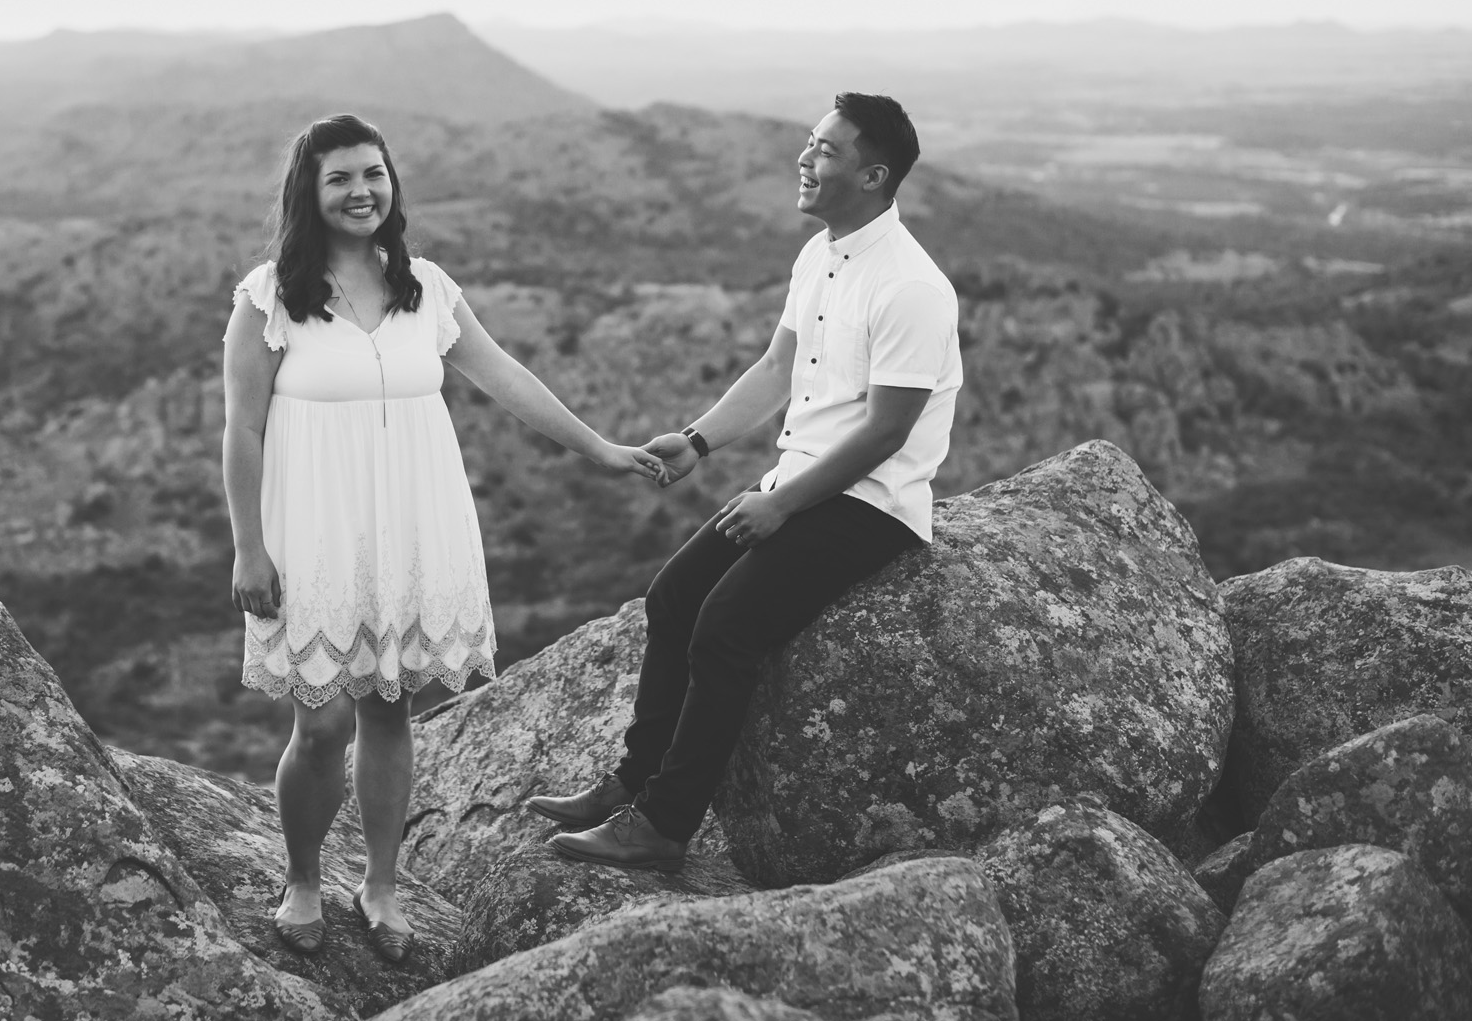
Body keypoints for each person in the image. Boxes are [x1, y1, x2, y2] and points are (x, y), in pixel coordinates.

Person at [221, 113, 663, 959]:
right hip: (312, 531)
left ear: (393, 183)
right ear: (308, 194)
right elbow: (242, 432)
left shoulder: (426, 286)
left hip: (416, 525)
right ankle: (303, 878)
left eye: (373, 174)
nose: (362, 192)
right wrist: (249, 546)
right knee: (319, 726)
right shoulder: (269, 297)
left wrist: (601, 449)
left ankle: (381, 885)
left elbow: (506, 378)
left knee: (392, 714)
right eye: (341, 178)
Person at [525, 92, 962, 871]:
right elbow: (775, 370)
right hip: (797, 481)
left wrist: (780, 505)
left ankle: (663, 823)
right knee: (671, 599)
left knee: (724, 627)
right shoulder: (819, 255)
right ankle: (629, 781)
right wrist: (698, 440)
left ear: (873, 175)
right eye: (810, 143)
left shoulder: (911, 287)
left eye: (826, 151)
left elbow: (887, 431)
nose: (805, 159)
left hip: (871, 504)